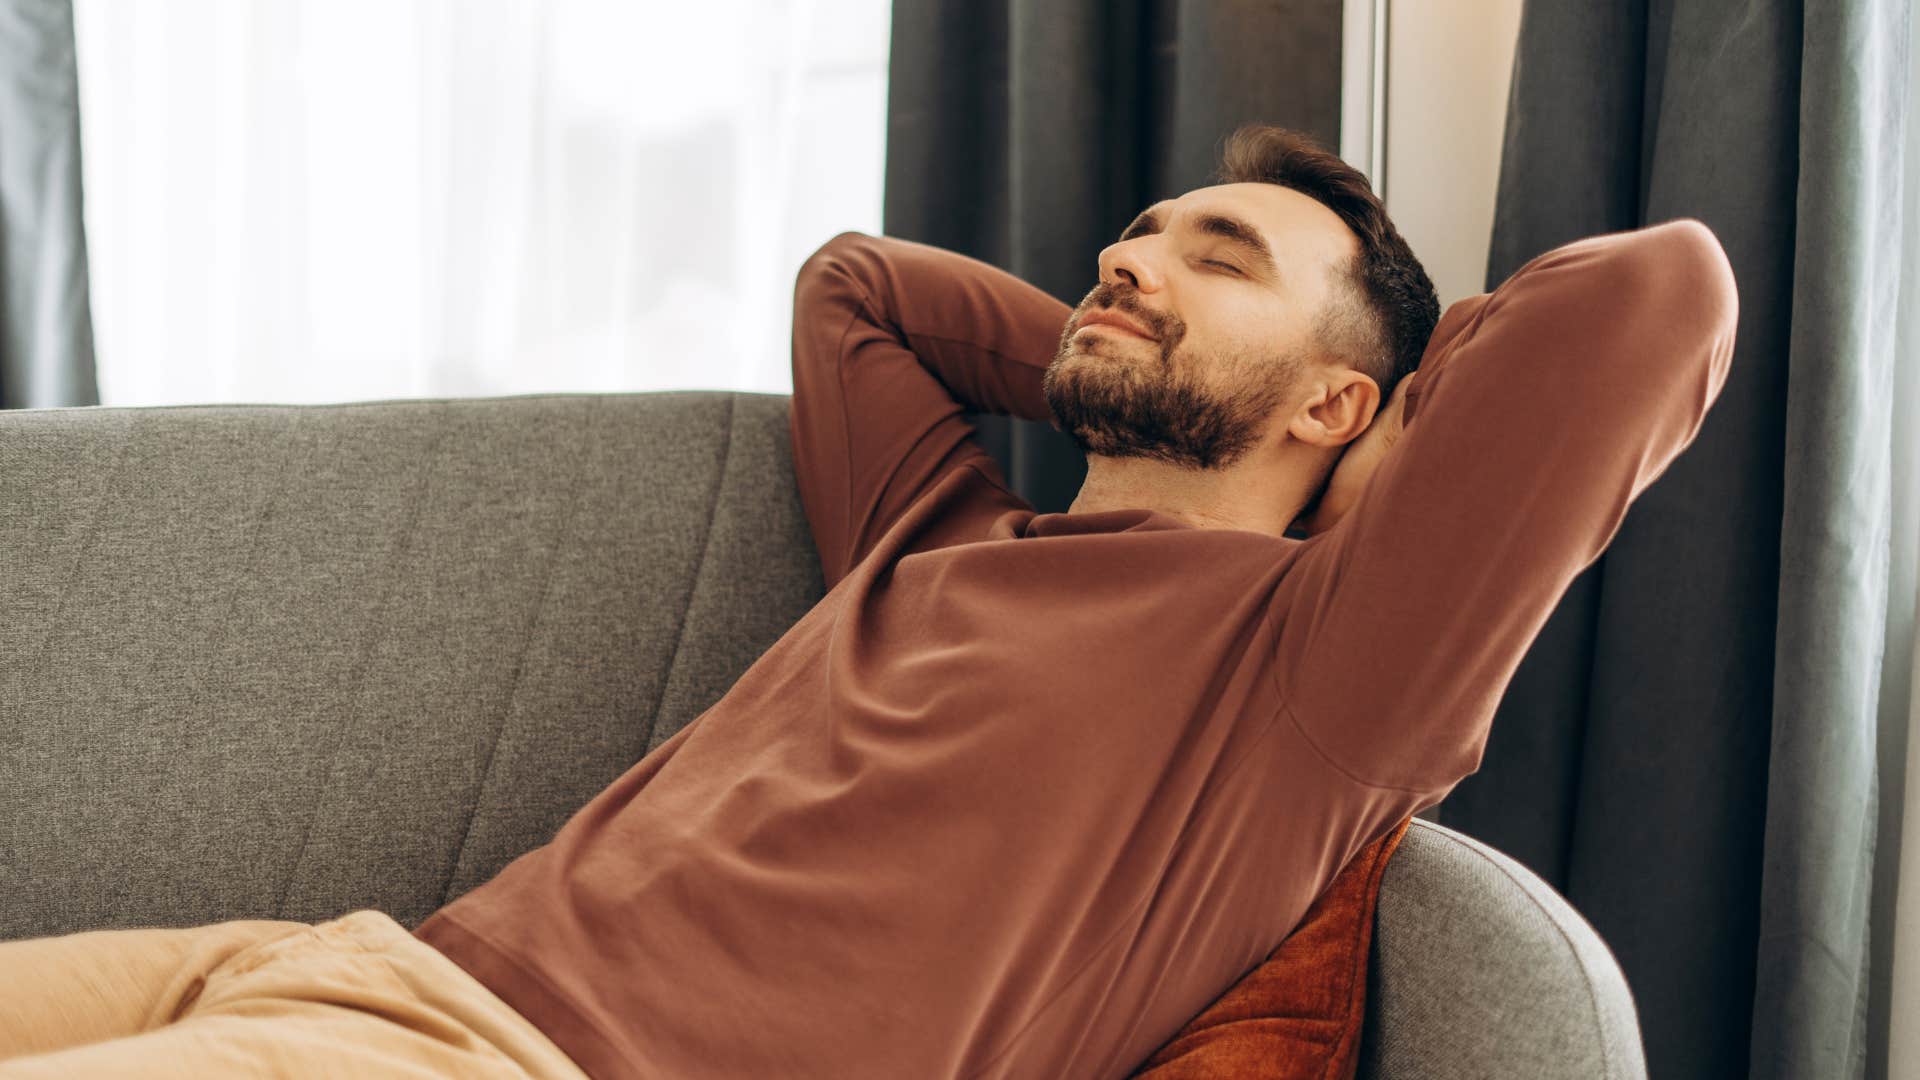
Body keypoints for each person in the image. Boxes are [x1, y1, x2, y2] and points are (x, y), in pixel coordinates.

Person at [0, 123, 1738, 1079]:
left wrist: (1378, 461)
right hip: (332, 960)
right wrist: (1126, 358)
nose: (1130, 258)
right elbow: (858, 289)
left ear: (1344, 404)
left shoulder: (1319, 676)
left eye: (1218, 259)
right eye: (1137, 236)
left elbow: (1662, 294)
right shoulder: (937, 535)